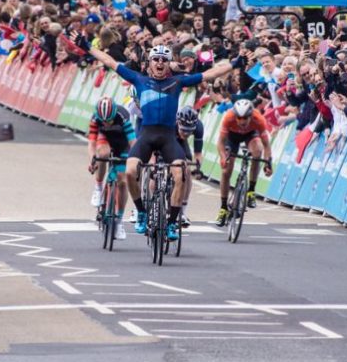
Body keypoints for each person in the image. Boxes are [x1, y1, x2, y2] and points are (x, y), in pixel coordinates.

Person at [88, 43, 239, 240]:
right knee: (131, 171)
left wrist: (236, 63)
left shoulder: (177, 82)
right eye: (156, 59)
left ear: (168, 64)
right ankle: (141, 212)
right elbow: (109, 61)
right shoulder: (139, 79)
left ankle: (171, 224)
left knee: (180, 175)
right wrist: (86, 46)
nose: (160, 63)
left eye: (164, 60)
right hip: (147, 136)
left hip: (168, 137)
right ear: (149, 63)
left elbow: (210, 74)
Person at [215, 99, 272, 226]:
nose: (241, 121)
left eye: (245, 118)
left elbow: (267, 145)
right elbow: (220, 142)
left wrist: (268, 164)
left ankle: (251, 190)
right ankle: (223, 208)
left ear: (251, 115)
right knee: (226, 171)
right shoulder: (229, 117)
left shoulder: (258, 119)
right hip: (232, 138)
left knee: (257, 151)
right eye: (239, 118)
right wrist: (223, 157)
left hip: (250, 135)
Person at [87, 97, 135, 241]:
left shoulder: (122, 115)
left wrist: (134, 161)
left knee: (122, 181)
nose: (107, 123)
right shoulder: (96, 118)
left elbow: (133, 142)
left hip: (122, 143)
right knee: (102, 154)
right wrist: (92, 160)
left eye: (109, 120)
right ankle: (98, 186)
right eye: (104, 121)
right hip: (105, 140)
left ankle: (119, 221)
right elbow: (92, 143)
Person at [174, 106, 204, 226]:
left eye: (189, 131)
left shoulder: (199, 127)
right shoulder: (170, 123)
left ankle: (182, 212)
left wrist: (197, 168)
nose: (186, 133)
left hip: (182, 145)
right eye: (183, 130)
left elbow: (198, 154)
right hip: (169, 139)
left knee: (186, 171)